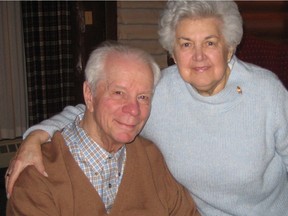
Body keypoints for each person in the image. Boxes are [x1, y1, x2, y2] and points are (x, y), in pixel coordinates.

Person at [6, 0, 288, 215]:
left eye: (210, 42)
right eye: (186, 43)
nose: (198, 56)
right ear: (173, 51)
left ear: (230, 47)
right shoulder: (159, 90)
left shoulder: (267, 93)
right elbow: (98, 110)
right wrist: (38, 135)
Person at [6, 41, 200, 216]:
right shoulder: (38, 176)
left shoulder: (153, 159)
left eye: (143, 97)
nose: (133, 110)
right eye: (118, 93)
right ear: (89, 95)